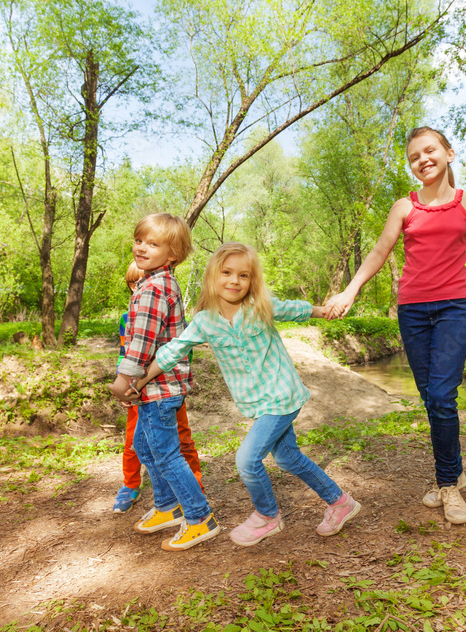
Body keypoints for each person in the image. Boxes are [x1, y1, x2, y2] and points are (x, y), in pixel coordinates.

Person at [325, 126, 466, 525]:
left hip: (455, 307)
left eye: (430, 150)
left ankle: (448, 484)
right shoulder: (404, 207)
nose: (423, 159)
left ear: (449, 153)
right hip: (413, 312)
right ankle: (454, 468)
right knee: (431, 397)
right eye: (414, 156)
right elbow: (380, 250)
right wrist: (350, 291)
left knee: (441, 394)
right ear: (411, 167)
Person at [131, 243, 361, 547]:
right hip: (258, 403)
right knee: (288, 458)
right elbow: (172, 351)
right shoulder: (205, 322)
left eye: (243, 275)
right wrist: (138, 381)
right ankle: (341, 502)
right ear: (213, 276)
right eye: (227, 273)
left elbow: (295, 309)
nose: (234, 281)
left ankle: (268, 517)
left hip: (281, 396)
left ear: (252, 281)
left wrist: (326, 310)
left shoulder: (259, 307)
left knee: (247, 460)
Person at [108, 213, 218, 551]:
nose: (141, 248)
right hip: (152, 389)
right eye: (140, 240)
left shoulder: (155, 288)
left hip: (158, 389)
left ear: (172, 255)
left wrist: (124, 379)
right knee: (144, 447)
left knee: (167, 454)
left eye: (153, 244)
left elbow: (141, 341)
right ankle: (168, 506)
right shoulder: (153, 282)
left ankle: (200, 518)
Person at [113, 261, 203, 514]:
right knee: (137, 442)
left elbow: (178, 349)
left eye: (139, 281)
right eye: (132, 283)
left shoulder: (160, 294)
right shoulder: (127, 316)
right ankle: (134, 486)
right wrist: (126, 382)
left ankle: (194, 493)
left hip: (163, 388)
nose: (136, 286)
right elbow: (125, 352)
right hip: (137, 389)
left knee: (179, 441)